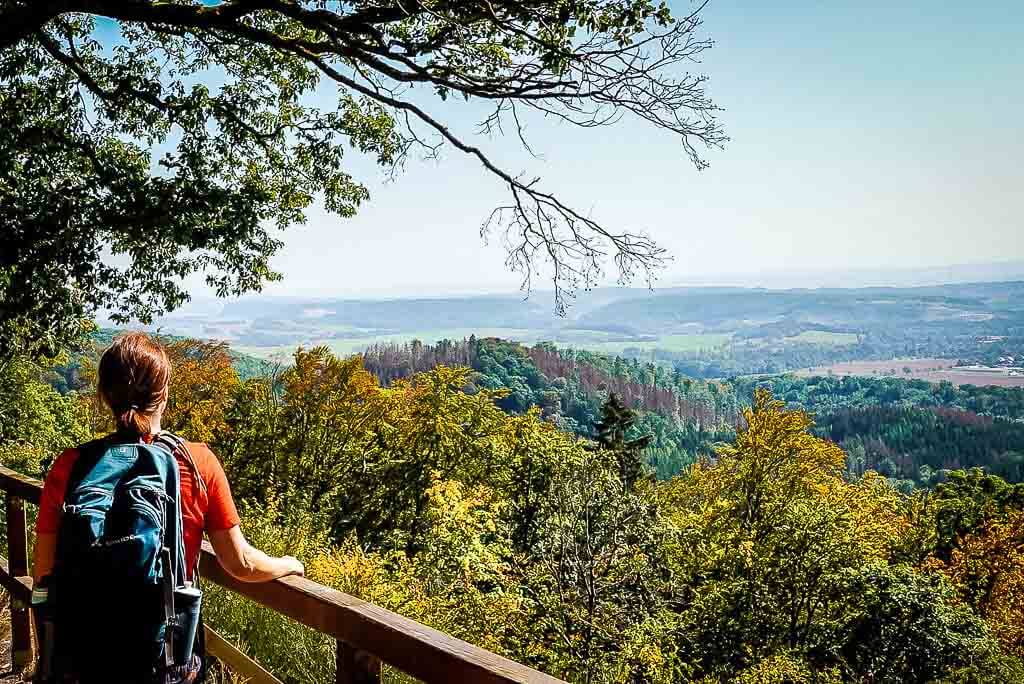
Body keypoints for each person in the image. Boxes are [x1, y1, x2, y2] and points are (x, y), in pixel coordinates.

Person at [32, 332, 303, 680]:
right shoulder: (196, 463)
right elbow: (241, 564)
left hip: (86, 655)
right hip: (162, 656)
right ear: (163, 397)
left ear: (104, 396)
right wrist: (289, 564)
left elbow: (43, 573)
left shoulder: (70, 467)